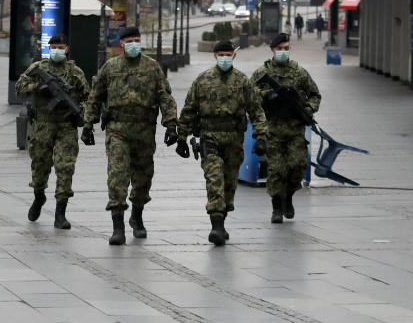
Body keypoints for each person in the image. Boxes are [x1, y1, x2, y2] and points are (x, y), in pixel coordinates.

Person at [82, 26, 178, 245]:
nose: (134, 43)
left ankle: (137, 214)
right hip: (118, 130)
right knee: (117, 176)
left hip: (144, 130)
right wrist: (88, 124)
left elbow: (165, 96)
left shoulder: (152, 67)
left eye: (137, 39)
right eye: (129, 40)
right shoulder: (110, 67)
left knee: (143, 178)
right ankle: (118, 226)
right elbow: (95, 97)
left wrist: (171, 124)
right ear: (121, 44)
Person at [178, 40, 267, 246]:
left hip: (234, 139)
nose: (225, 58)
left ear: (233, 56)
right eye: (221, 54)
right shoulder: (202, 80)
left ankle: (222, 220)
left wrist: (261, 136)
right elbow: (189, 109)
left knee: (229, 182)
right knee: (214, 177)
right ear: (215, 56)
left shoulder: (243, 82)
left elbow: (256, 110)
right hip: (210, 136)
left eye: (228, 54)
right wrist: (181, 136)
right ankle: (216, 225)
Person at [15, 35, 89, 229]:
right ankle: (39, 197)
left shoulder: (75, 72)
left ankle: (60, 214)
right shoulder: (39, 68)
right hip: (43, 125)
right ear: (49, 48)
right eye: (53, 46)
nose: (57, 49)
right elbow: (19, 88)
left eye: (60, 46)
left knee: (65, 168)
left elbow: (88, 98)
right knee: (39, 166)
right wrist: (39, 87)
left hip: (66, 126)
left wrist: (82, 114)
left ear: (67, 49)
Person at [251, 33, 322, 224]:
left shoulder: (299, 72)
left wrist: (307, 109)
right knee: (276, 170)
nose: (283, 52)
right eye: (279, 49)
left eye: (286, 48)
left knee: (297, 165)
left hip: (295, 129)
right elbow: (249, 96)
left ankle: (288, 197)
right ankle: (276, 207)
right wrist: (267, 96)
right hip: (272, 129)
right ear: (272, 50)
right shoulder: (261, 73)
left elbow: (315, 95)